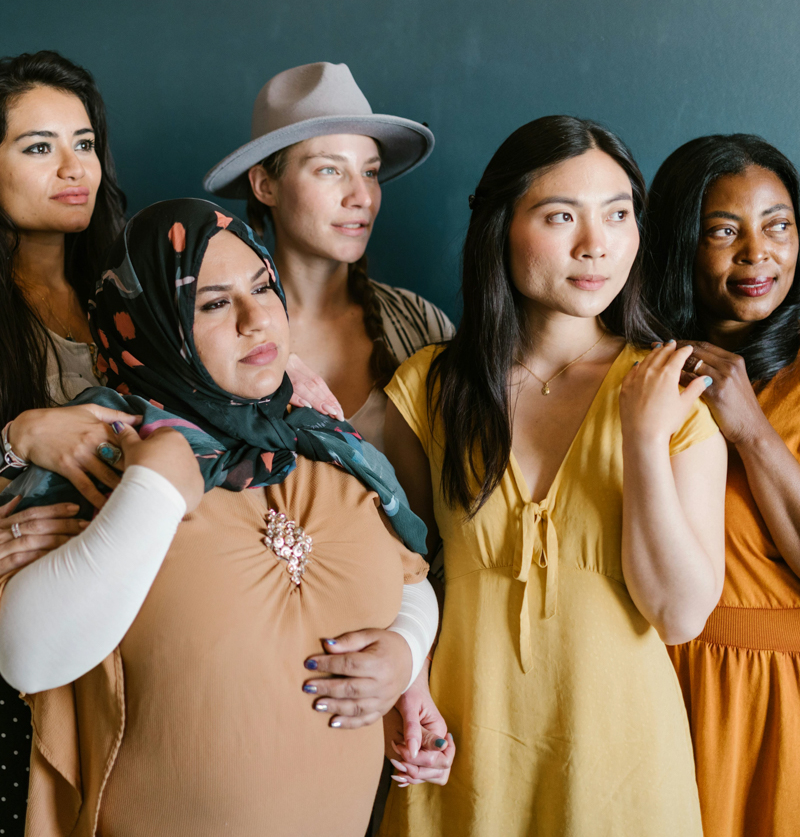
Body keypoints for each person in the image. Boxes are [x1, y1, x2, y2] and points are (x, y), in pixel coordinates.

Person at [0, 198, 438, 837]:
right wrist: (154, 487)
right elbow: (28, 658)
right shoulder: (98, 456)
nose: (258, 318)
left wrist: (404, 650)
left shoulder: (327, 442)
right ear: (154, 326)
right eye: (212, 303)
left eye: (263, 286)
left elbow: (410, 582)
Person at [378, 116, 728, 837]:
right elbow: (385, 568)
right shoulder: (431, 388)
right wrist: (404, 687)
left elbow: (680, 614)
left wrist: (639, 433)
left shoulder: (672, 392)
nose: (596, 244)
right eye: (560, 215)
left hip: (620, 770)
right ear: (503, 227)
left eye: (619, 214)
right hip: (461, 758)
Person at [646, 134, 800, 837]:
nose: (757, 253)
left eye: (778, 226)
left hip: (781, 699)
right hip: (657, 682)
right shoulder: (636, 375)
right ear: (680, 242)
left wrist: (749, 429)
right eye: (724, 231)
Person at [0, 49, 132, 833]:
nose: (71, 166)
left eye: (82, 143)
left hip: (112, 627)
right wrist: (16, 440)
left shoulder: (121, 297)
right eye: (37, 146)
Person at [203, 61, 454, 451]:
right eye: (329, 170)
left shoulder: (421, 325)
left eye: (369, 173)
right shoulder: (215, 330)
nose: (362, 197)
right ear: (265, 185)